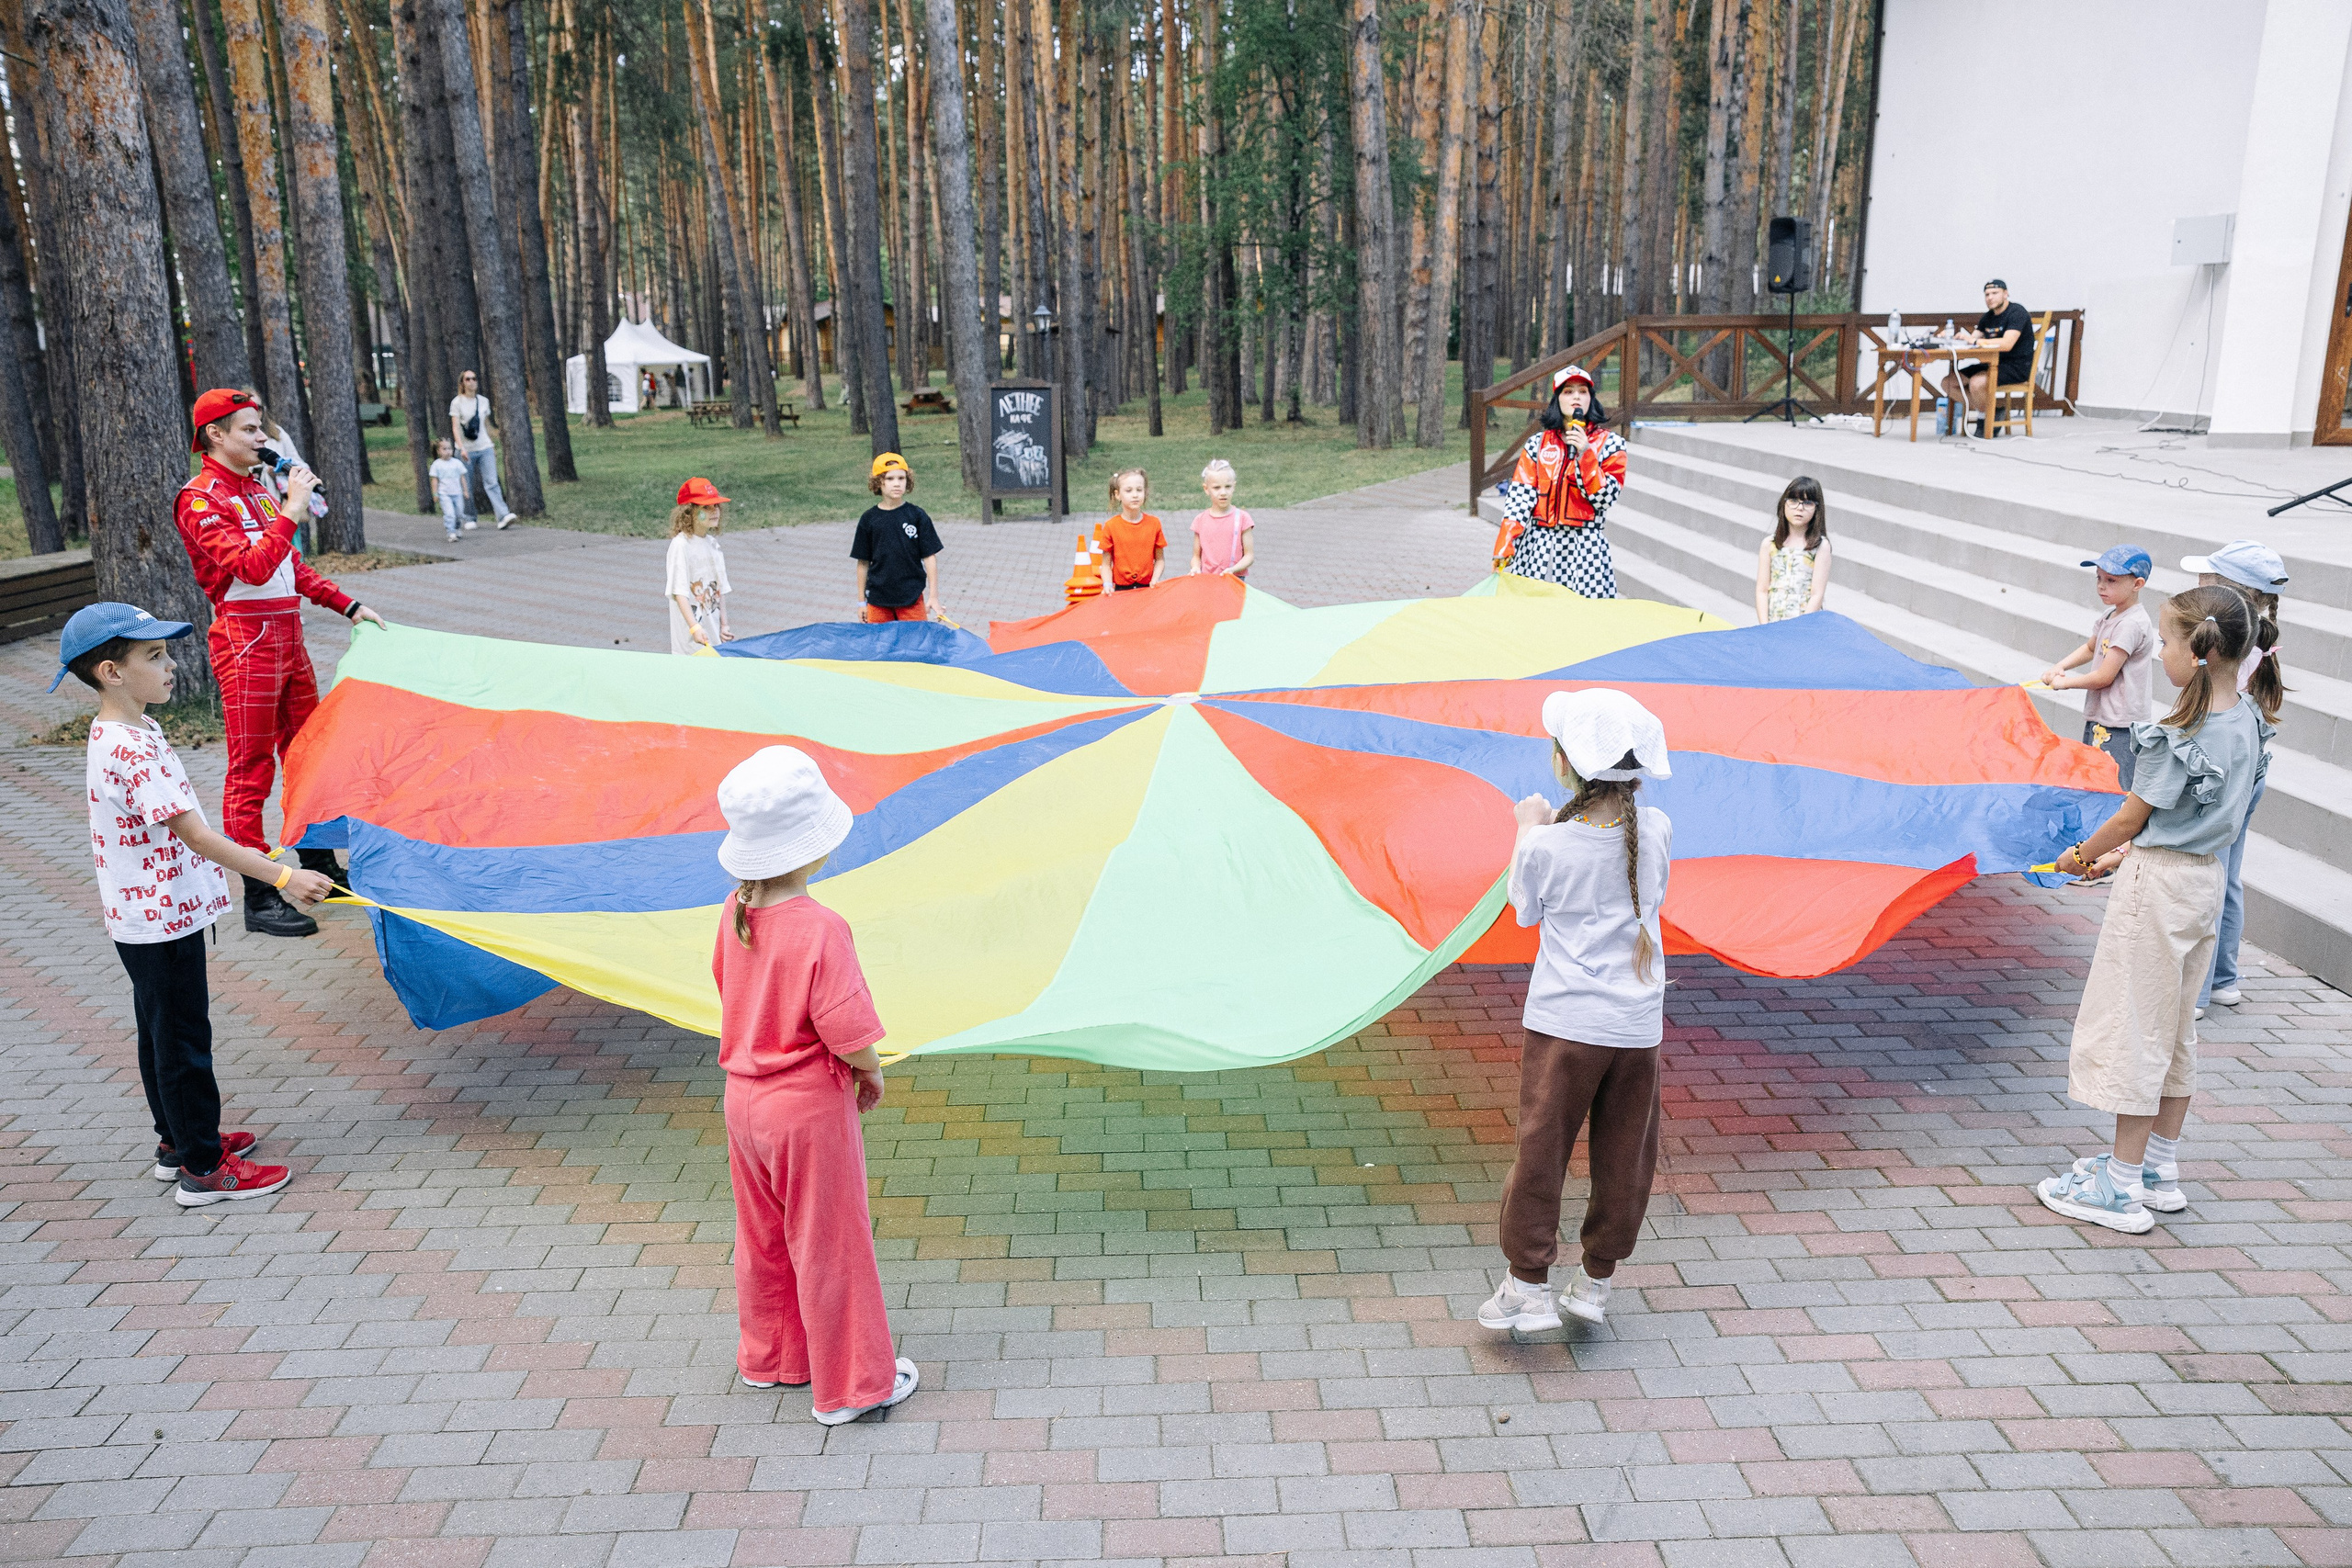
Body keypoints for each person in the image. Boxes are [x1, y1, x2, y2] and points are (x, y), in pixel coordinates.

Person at [53, 603, 332, 1205]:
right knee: (182, 1041)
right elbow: (199, 835)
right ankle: (204, 1167)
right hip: (158, 920)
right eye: (153, 655)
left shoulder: (128, 730)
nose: (172, 664)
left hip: (147, 916)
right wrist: (283, 875)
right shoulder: (131, 748)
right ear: (112, 672)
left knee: (160, 1033)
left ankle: (178, 1140)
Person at [2034, 586, 2273, 1235]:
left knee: (2134, 1025)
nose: (2160, 651)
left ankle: (2117, 1184)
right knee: (2173, 1030)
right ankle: (2159, 1168)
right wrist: (2134, 850)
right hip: (2203, 885)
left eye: (2166, 641)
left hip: (2158, 889)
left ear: (2199, 652)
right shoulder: (2248, 719)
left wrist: (2082, 855)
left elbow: (2131, 815)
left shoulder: (2180, 733)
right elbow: (2202, 817)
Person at [711, 745, 919, 1424]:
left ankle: (771, 1358)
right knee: (831, 1242)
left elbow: (728, 986)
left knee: (763, 1234)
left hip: (742, 1099)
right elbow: (848, 1027)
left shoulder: (733, 910)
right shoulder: (822, 928)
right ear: (811, 848)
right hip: (805, 1108)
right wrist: (871, 1070)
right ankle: (855, 1385)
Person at [1477, 688, 1673, 1334]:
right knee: (1625, 1153)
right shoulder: (1658, 831)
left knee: (1543, 1147)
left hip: (1565, 1024)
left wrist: (1527, 827)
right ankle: (1595, 1281)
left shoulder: (1546, 845)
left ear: (1565, 765)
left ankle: (1527, 1285)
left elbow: (1525, 910)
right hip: (1637, 1028)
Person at [175, 388, 388, 938]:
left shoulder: (255, 491)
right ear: (215, 435)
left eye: (261, 430)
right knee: (252, 770)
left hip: (288, 638)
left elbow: (289, 566)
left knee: (306, 756)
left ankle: (317, 863)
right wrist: (292, 508)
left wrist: (350, 605)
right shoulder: (199, 499)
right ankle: (261, 895)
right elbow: (250, 567)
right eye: (250, 430)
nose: (263, 440)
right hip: (246, 643)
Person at [2183, 540, 2290, 1013]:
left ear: (2227, 593)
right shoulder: (2258, 643)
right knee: (2227, 877)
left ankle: (2201, 990)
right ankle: (2224, 978)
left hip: (2224, 778)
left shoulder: (2228, 654)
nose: (2198, 583)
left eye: (2206, 578)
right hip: (2248, 776)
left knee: (2209, 876)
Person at [1493, 365, 1629, 597]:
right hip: (1537, 544)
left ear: (1591, 399)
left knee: (1582, 621)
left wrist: (1586, 453)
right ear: (1557, 400)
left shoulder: (1612, 444)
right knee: (1533, 616)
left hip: (1585, 546)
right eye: (1568, 391)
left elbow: (1604, 499)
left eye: (1583, 391)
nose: (1576, 396)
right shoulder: (1538, 443)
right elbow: (1519, 498)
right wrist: (1506, 542)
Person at [2041, 546, 2156, 804]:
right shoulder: (2112, 614)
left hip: (2119, 724)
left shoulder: (2130, 624)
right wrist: (2061, 666)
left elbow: (2105, 676)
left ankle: (2113, 841)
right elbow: (2092, 647)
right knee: (2092, 780)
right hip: (2103, 717)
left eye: (2111, 580)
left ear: (2137, 584)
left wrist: (2065, 683)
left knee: (2113, 787)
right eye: (2099, 578)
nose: (2102, 586)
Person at [1933, 279, 2034, 434]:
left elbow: (2007, 344)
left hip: (2015, 366)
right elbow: (1973, 342)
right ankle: (1992, 411)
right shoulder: (1988, 317)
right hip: (1990, 364)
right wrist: (1954, 340)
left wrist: (1974, 340)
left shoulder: (2017, 312)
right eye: (1987, 294)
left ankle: (1984, 419)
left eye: (1994, 293)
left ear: (2005, 294)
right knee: (1948, 383)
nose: (1990, 298)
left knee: (1976, 383)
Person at [852, 452, 942, 623]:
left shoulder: (917, 516)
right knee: (881, 646)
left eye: (901, 478)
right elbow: (863, 563)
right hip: (878, 600)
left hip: (911, 598)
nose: (897, 484)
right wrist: (861, 602)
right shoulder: (869, 519)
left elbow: (930, 557)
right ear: (878, 482)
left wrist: (934, 597)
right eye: (890, 479)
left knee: (915, 645)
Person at [666, 478, 734, 654]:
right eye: (706, 507)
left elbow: (719, 590)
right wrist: (694, 627)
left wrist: (724, 625)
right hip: (691, 642)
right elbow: (679, 592)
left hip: (713, 637)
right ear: (689, 513)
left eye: (716, 506)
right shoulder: (681, 545)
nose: (714, 511)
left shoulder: (713, 546)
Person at [1753, 477, 1832, 623]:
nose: (1800, 508)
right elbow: (1762, 590)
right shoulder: (1769, 544)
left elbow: (1817, 594)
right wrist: (1764, 625)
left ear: (1817, 509)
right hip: (1774, 621)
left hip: (1804, 623)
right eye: (1793, 501)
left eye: (1808, 503)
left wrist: (1800, 628)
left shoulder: (1821, 546)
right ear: (1783, 504)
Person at [447, 368, 518, 529]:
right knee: (467, 484)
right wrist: (461, 447)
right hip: (466, 450)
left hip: (484, 446)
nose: (472, 382)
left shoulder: (483, 401)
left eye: (474, 378)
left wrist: (491, 444)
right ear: (462, 383)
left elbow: (485, 424)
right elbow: (455, 427)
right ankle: (470, 517)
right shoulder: (457, 402)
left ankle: (503, 515)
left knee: (492, 482)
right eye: (468, 379)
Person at [1096, 469, 1165, 592]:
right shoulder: (1111, 526)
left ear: (1145, 492)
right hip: (1120, 590)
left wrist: (1155, 579)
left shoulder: (1154, 523)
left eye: (1139, 490)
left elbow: (1160, 559)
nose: (1135, 495)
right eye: (1129, 491)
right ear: (1118, 495)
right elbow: (1106, 564)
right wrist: (1107, 584)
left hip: (1147, 588)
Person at [1189, 458, 1254, 580]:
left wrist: (1233, 569)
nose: (1223, 492)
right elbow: (1196, 556)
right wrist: (1195, 568)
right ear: (1206, 489)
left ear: (1233, 487)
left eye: (1227, 487)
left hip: (1234, 579)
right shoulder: (1200, 520)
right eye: (1217, 488)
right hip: (1207, 580)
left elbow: (1249, 556)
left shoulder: (1243, 519)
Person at [430, 438, 473, 542]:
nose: (448, 451)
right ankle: (451, 532)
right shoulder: (437, 464)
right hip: (445, 494)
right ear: (439, 451)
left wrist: (465, 491)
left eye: (450, 448)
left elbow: (462, 478)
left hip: (457, 493)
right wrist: (435, 493)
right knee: (449, 514)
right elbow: (435, 480)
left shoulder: (457, 463)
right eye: (444, 449)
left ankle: (457, 528)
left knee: (459, 514)